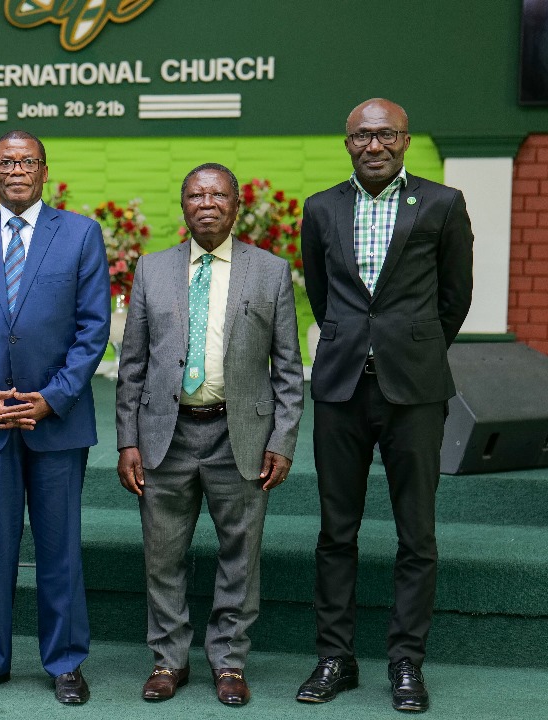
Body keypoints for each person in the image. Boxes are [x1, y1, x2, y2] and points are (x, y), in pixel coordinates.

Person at [295, 98, 474, 713]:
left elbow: (455, 296)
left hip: (415, 390)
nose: (375, 145)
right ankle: (335, 658)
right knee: (335, 532)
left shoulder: (442, 203)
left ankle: (406, 663)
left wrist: (410, 347)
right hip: (341, 388)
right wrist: (357, 341)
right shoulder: (321, 208)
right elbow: (323, 295)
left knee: (416, 534)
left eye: (387, 134)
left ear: (405, 140)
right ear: (348, 143)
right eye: (363, 136)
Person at [115, 163, 302, 706]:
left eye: (218, 195)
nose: (207, 204)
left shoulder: (269, 271)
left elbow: (289, 369)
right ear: (183, 206)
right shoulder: (152, 269)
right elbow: (133, 365)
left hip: (240, 435)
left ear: (236, 206)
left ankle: (229, 662)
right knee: (162, 556)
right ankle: (168, 660)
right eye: (196, 195)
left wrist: (282, 440)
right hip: (165, 435)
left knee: (240, 555)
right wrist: (127, 439)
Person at [0, 130, 110, 705]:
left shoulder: (80, 234)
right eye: (6, 163)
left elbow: (93, 329)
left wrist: (53, 397)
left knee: (60, 549)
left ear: (44, 170)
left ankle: (65, 662)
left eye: (27, 161)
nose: (16, 170)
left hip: (56, 421)